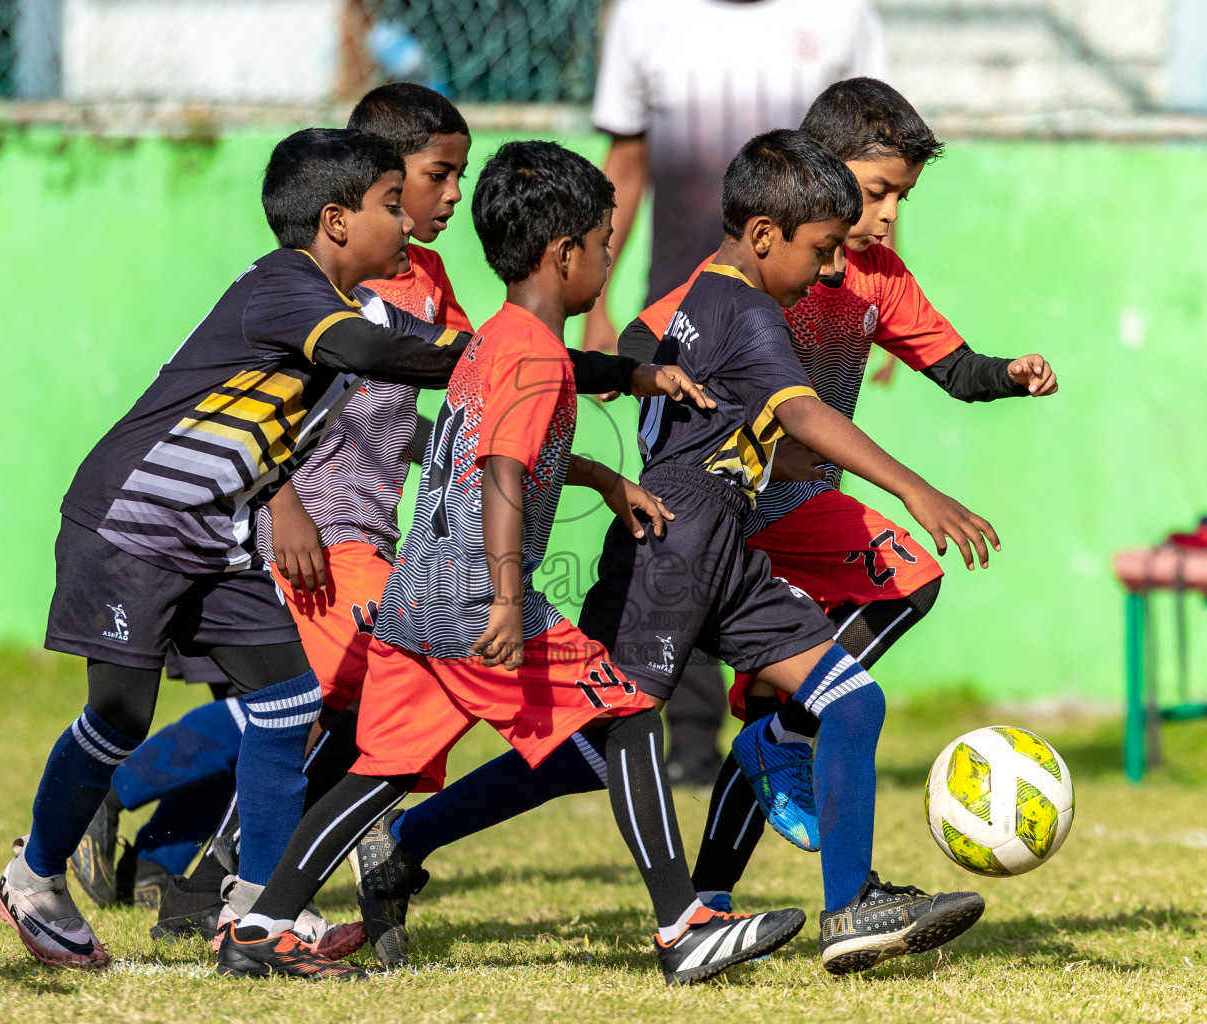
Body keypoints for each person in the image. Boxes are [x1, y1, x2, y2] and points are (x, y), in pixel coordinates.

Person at [349, 130, 992, 976]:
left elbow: (707, 414)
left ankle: (849, 911)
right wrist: (913, 488)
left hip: (719, 540)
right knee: (600, 743)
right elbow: (800, 411)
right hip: (673, 548)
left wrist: (757, 453)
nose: (831, 271)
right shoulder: (748, 308)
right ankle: (406, 841)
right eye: (822, 251)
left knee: (849, 701)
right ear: (763, 235)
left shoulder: (706, 296)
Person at [215, 140, 807, 986]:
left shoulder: (494, 340)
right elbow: (501, 468)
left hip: (417, 595)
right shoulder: (534, 355)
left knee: (380, 770)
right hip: (475, 598)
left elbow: (501, 451)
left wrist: (603, 477)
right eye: (604, 244)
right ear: (564, 254)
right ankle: (684, 925)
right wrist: (502, 597)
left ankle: (262, 925)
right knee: (629, 712)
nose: (609, 260)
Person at [0, 126, 480, 971]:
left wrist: (578, 370)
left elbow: (417, 364)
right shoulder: (285, 286)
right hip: (133, 523)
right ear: (335, 220)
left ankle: (258, 915)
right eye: (391, 205)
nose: (408, 222)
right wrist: (508, 359)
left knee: (289, 702)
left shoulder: (355, 306)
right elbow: (374, 354)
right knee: (120, 714)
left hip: (217, 533)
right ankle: (33, 878)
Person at [642, 77, 1060, 912]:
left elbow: (954, 367)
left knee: (815, 673)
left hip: (799, 513)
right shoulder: (752, 278)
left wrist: (1007, 374)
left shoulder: (877, 277)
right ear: (820, 175)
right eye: (878, 192)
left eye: (902, 197)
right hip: (724, 513)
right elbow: (650, 344)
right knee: (604, 736)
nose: (890, 215)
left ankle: (719, 888)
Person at [585, 0, 890, 783]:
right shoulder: (647, 17)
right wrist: (604, 306)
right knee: (615, 724)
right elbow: (626, 160)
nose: (841, 262)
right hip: (692, 312)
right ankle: (694, 753)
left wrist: (873, 291)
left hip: (763, 331)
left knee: (728, 516)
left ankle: (760, 733)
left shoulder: (840, 16)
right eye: (829, 251)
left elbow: (872, 172)